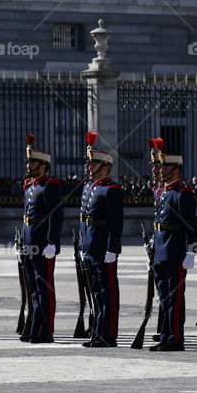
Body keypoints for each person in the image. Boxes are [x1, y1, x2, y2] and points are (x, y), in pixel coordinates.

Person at [149, 139, 197, 352]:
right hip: (160, 249)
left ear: (175, 171)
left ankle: (175, 338)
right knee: (163, 296)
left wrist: (191, 251)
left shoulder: (182, 194)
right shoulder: (161, 193)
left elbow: (190, 225)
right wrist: (153, 243)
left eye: (165, 167)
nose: (160, 170)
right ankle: (166, 334)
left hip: (175, 249)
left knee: (174, 297)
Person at [79, 132, 123, 347]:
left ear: (104, 166)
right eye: (89, 163)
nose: (89, 167)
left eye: (93, 163)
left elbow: (116, 223)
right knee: (95, 292)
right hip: (90, 245)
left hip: (103, 247)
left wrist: (112, 248)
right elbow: (83, 219)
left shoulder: (111, 190)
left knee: (107, 293)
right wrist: (82, 244)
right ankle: (97, 332)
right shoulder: (88, 187)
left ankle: (109, 334)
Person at [19, 135, 63, 343]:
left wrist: (52, 242)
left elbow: (56, 215)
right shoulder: (29, 185)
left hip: (42, 243)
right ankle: (35, 325)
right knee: (33, 287)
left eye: (32, 162)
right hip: (29, 241)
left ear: (43, 165)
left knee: (43, 286)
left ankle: (46, 330)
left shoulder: (49, 185)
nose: (29, 165)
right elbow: (26, 215)